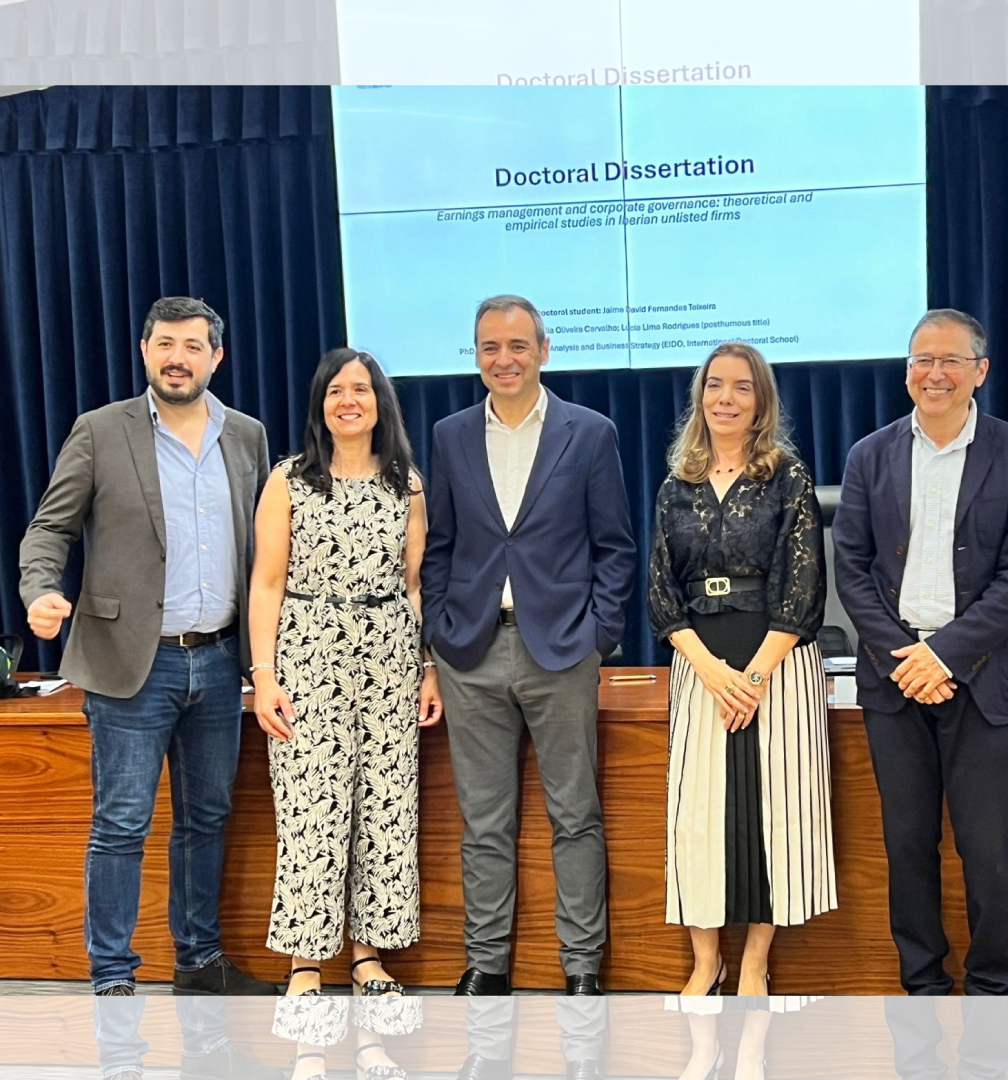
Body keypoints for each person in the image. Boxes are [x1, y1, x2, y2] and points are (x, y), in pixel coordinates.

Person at [19, 296, 276, 995]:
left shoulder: (246, 436)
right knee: (122, 823)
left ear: (216, 357)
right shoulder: (101, 430)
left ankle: (199, 961)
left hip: (219, 663)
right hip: (131, 661)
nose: (177, 358)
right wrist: (40, 589)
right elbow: (50, 529)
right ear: (144, 350)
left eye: (193, 347)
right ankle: (112, 975)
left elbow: (264, 551)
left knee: (206, 819)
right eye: (165, 344)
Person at [832, 308, 1008, 996]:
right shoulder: (869, 455)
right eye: (922, 360)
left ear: (979, 371)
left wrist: (945, 656)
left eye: (950, 360)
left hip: (984, 683)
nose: (934, 373)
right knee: (906, 848)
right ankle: (922, 988)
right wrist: (907, 658)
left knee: (986, 852)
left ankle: (991, 991)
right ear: (907, 372)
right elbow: (852, 570)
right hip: (895, 682)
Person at [421, 295, 636, 996]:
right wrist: (440, 632)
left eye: (517, 345)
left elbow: (615, 547)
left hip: (563, 651)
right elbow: (441, 546)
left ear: (544, 350)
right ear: (476, 355)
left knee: (576, 817)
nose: (504, 359)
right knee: (484, 823)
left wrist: (598, 637)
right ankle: (486, 964)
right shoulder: (450, 435)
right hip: (472, 653)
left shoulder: (589, 432)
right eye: (490, 347)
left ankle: (582, 966)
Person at [248, 348, 442, 998]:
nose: (349, 400)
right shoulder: (288, 480)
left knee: (385, 807)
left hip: (390, 662)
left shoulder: (407, 484)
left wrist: (428, 669)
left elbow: (416, 586)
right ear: (321, 405)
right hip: (308, 660)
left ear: (380, 403)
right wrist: (264, 675)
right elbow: (266, 583)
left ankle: (366, 957)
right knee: (311, 810)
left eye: (361, 389)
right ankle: (305, 966)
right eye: (336, 390)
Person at [647, 341, 837, 997]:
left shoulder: (788, 478)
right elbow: (661, 592)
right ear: (700, 396)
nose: (725, 398)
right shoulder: (676, 485)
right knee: (699, 816)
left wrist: (752, 679)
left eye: (741, 387)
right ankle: (708, 962)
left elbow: (803, 589)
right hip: (701, 664)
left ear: (761, 403)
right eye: (714, 385)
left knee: (774, 814)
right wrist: (709, 670)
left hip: (776, 663)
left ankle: (755, 961)